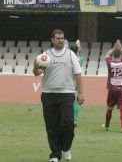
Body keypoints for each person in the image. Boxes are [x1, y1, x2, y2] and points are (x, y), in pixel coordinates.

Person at [33, 29, 84, 162]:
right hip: (49, 94)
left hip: (67, 94)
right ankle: (55, 155)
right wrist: (35, 68)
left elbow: (78, 74)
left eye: (62, 38)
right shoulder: (45, 55)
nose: (61, 40)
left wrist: (82, 93)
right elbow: (37, 72)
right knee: (51, 127)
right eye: (58, 38)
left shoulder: (70, 54)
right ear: (52, 40)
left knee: (67, 123)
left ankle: (66, 147)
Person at [102, 40, 122, 133]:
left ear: (113, 56)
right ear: (121, 56)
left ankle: (106, 126)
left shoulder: (110, 62)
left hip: (112, 89)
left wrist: (114, 48)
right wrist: (121, 49)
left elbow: (106, 55)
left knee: (110, 107)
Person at [69, 41, 83, 126]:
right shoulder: (80, 59)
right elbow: (78, 52)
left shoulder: (67, 59)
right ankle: (74, 119)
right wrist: (78, 45)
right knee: (76, 103)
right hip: (75, 83)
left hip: (67, 83)